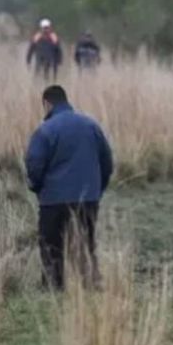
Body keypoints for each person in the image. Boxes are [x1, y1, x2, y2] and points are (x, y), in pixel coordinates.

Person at [25, 85, 113, 290]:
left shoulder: (45, 130)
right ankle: (90, 287)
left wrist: (37, 188)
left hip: (54, 200)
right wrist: (97, 191)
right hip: (88, 199)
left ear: (47, 104)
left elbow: (34, 165)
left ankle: (53, 288)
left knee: (51, 246)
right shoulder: (91, 126)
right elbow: (107, 162)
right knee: (85, 244)